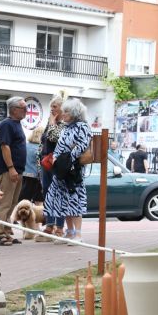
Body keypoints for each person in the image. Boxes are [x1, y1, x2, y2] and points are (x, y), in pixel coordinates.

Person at [44, 98, 91, 243]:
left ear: (75, 112)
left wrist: (68, 159)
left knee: (74, 200)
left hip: (71, 170)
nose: (63, 114)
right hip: (60, 170)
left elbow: (83, 144)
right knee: (63, 201)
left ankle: (78, 234)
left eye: (66, 111)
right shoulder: (67, 127)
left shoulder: (82, 126)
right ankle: (69, 232)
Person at [0, 96, 27, 246]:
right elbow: (4, 146)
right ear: (14, 109)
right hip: (9, 171)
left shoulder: (16, 124)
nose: (26, 111)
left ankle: (7, 232)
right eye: (23, 108)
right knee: (5, 203)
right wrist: (11, 168)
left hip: (17, 170)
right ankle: (0, 234)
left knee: (12, 204)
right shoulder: (7, 125)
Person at [36, 95, 67, 242]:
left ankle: (59, 227)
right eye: (51, 106)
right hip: (46, 163)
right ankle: (49, 224)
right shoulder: (50, 122)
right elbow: (43, 141)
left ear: (62, 108)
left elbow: (55, 138)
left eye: (55, 106)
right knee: (47, 193)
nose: (52, 109)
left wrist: (52, 122)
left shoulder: (65, 124)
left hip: (58, 164)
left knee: (59, 194)